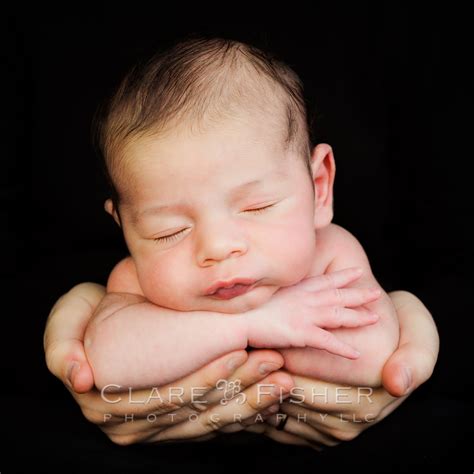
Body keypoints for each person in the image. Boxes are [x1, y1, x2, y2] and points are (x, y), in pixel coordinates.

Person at [43, 36, 439, 450]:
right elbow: (107, 365)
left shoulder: (333, 252)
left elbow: (374, 359)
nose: (217, 248)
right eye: (168, 231)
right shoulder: (136, 279)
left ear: (319, 188)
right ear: (124, 227)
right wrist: (251, 324)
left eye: (257, 206)